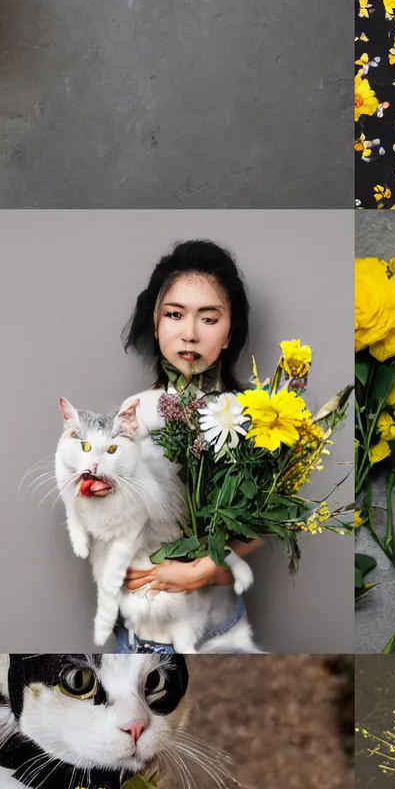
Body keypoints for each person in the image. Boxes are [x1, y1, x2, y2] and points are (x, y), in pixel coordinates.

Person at [113, 240, 265, 648]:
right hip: (140, 637)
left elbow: (267, 520)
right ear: (157, 323)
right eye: (175, 315)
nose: (190, 334)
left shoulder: (254, 416)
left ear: (230, 331)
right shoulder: (134, 412)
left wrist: (208, 569)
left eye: (209, 318)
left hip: (220, 631)